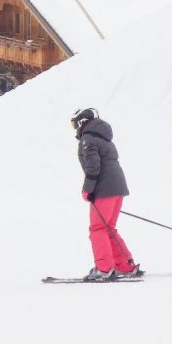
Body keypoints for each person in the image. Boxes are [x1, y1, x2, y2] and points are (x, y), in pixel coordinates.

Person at [72, 107, 139, 281]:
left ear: (82, 122)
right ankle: (125, 265)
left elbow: (93, 167)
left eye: (75, 124)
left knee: (98, 228)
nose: (75, 129)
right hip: (117, 188)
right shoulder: (104, 138)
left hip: (104, 190)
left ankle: (104, 269)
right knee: (108, 228)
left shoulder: (88, 139)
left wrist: (88, 189)